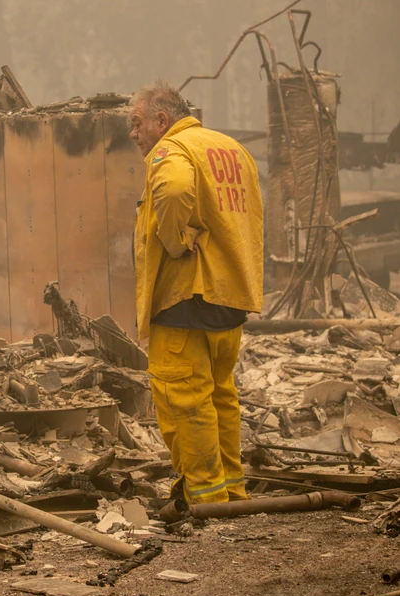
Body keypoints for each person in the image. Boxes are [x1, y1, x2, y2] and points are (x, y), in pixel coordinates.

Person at [129, 79, 263, 504]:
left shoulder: (172, 150)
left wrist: (173, 242)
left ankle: (206, 499)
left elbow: (173, 189)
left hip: (185, 296)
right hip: (229, 295)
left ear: (161, 120)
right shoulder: (231, 149)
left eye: (136, 123)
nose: (133, 134)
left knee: (184, 399)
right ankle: (231, 489)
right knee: (221, 395)